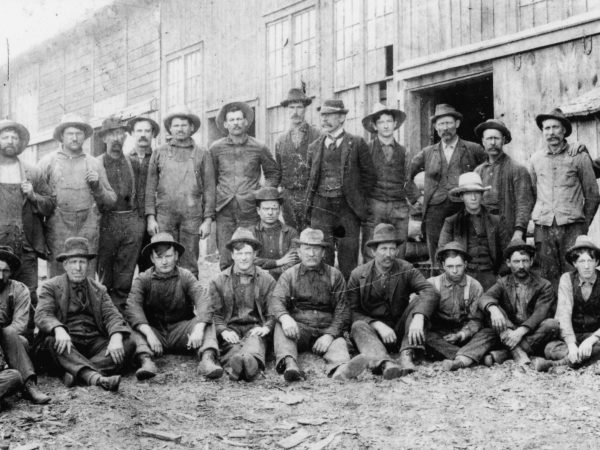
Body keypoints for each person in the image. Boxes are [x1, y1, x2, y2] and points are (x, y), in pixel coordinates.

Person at [35, 237, 135, 391]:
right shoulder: (51, 286)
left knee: (127, 343)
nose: (78, 267)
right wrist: (58, 329)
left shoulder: (99, 289)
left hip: (92, 341)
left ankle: (75, 372)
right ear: (65, 265)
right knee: (51, 341)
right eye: (73, 262)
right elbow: (43, 314)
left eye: (82, 262)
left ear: (88, 265)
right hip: (67, 342)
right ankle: (96, 378)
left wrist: (116, 337)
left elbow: (112, 315)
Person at [269, 228, 366, 382]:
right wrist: (285, 318)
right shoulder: (289, 275)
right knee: (280, 326)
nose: (311, 254)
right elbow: (277, 301)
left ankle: (342, 369)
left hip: (326, 328)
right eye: (307, 249)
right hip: (299, 329)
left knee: (339, 344)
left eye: (316, 249)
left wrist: (330, 334)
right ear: (299, 252)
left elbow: (342, 309)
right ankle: (290, 365)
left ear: (323, 253)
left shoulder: (335, 275)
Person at [125, 232, 222, 380]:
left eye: (168, 256)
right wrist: (149, 334)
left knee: (207, 321)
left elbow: (203, 300)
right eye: (159, 257)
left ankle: (207, 360)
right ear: (152, 259)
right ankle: (146, 361)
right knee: (132, 325)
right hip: (155, 333)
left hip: (182, 333)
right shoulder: (143, 279)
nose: (164, 262)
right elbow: (133, 307)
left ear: (176, 256)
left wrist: (198, 328)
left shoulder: (186, 276)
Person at [348, 224, 438, 379]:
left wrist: (418, 317)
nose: (388, 254)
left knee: (419, 302)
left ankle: (406, 354)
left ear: (397, 251)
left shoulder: (406, 268)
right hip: (373, 334)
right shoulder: (358, 274)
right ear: (373, 251)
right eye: (383, 249)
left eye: (392, 249)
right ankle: (385, 364)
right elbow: (352, 311)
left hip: (401, 331)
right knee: (357, 326)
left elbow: (430, 291)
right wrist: (376, 324)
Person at [304, 99, 376, 279]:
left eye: (330, 115)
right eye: (322, 115)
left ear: (342, 118)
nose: (324, 120)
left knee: (348, 257)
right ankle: (324, 297)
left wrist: (356, 197)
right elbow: (309, 178)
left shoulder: (357, 143)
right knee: (322, 254)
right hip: (321, 208)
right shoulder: (314, 147)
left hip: (348, 209)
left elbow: (370, 177)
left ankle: (348, 300)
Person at [38, 114, 116, 277]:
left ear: (85, 137)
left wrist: (97, 186)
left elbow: (110, 201)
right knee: (58, 280)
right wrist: (41, 238)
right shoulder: (48, 162)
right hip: (57, 230)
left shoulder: (94, 163)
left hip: (87, 229)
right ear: (61, 136)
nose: (74, 138)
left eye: (79, 134)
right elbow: (36, 203)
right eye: (70, 134)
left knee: (85, 276)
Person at [530, 108, 600, 285]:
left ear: (564, 131)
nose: (551, 132)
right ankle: (552, 312)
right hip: (544, 227)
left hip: (572, 227)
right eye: (547, 128)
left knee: (573, 274)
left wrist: (583, 224)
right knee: (546, 276)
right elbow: (531, 192)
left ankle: (574, 312)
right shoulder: (536, 159)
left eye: (556, 127)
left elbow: (592, 194)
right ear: (542, 132)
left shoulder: (578, 156)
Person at [410, 104, 486, 264]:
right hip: (434, 212)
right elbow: (404, 175)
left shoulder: (473, 149)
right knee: (437, 256)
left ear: (457, 124)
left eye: (448, 123)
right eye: (440, 124)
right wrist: (417, 198)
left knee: (464, 252)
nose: (445, 128)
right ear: (436, 128)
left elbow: (489, 170)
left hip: (463, 210)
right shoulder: (427, 152)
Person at [145, 105, 215, 277]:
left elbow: (209, 189)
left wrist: (207, 220)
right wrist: (151, 217)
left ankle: (188, 302)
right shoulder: (159, 153)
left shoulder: (202, 154)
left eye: (184, 125)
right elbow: (150, 188)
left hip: (192, 216)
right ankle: (166, 300)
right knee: (163, 257)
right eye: (176, 125)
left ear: (191, 128)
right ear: (170, 128)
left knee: (189, 262)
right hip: (165, 216)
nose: (180, 129)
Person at [0, 119, 55, 335]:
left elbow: (50, 204)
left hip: (26, 244)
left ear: (21, 142)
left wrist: (32, 195)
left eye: (14, 137)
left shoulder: (33, 172)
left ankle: (28, 346)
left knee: (29, 293)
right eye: (5, 137)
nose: (10, 141)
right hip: (0, 244)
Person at [210, 101, 281, 270]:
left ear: (246, 122)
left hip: (249, 210)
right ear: (226, 124)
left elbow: (273, 174)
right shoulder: (216, 148)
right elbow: (209, 180)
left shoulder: (259, 147)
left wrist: (262, 195)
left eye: (239, 119)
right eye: (231, 120)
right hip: (224, 210)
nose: (235, 123)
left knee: (249, 253)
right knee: (227, 256)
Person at [478, 239, 559, 370]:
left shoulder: (544, 285)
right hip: (509, 330)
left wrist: (520, 332)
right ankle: (517, 352)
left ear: (531, 262)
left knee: (552, 325)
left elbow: (540, 313)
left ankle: (507, 353)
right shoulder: (503, 282)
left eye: (525, 261)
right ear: (508, 263)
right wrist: (494, 310)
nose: (521, 266)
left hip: (532, 331)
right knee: (491, 309)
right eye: (516, 261)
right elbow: (485, 297)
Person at [211, 228, 276, 381]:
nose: (244, 258)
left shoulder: (267, 279)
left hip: (255, 328)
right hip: (231, 328)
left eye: (247, 253)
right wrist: (223, 330)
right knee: (231, 347)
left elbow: (274, 310)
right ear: (232, 255)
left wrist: (266, 327)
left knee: (254, 344)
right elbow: (214, 313)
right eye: (239, 254)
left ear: (254, 255)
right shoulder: (218, 281)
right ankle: (239, 366)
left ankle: (249, 364)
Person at [96, 116, 146, 311]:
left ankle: (121, 312)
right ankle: (105, 312)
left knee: (126, 272)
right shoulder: (96, 163)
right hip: (107, 222)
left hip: (130, 221)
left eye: (120, 134)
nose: (117, 138)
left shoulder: (132, 162)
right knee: (105, 272)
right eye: (112, 134)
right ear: (104, 138)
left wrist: (138, 223)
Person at [424, 242, 495, 371]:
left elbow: (476, 320)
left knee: (489, 333)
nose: (455, 271)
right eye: (450, 266)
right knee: (423, 334)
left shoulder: (474, 286)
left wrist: (461, 335)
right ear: (443, 266)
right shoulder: (432, 284)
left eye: (459, 266)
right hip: (440, 336)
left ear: (466, 265)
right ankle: (468, 356)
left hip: (464, 334)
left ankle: (461, 357)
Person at [360, 103, 418, 260]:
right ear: (375, 126)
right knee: (370, 249)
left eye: (389, 121)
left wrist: (417, 200)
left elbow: (408, 179)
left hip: (398, 206)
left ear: (395, 124)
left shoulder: (404, 151)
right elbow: (361, 179)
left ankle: (397, 283)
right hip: (375, 204)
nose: (385, 126)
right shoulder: (366, 149)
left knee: (399, 250)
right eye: (381, 122)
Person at [438, 172, 509, 290]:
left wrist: (500, 276)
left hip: (492, 277)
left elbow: (507, 252)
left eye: (476, 192)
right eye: (468, 193)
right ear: (461, 196)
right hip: (463, 277)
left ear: (482, 195)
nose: (473, 197)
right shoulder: (452, 222)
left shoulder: (496, 220)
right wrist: (456, 277)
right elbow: (441, 254)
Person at [0, 246, 50, 403]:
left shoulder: (19, 290)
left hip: (11, 343)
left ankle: (29, 386)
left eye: (5, 271)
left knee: (13, 335)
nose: (0, 276)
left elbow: (19, 324)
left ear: (11, 272)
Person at [543, 236, 600, 369]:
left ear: (596, 262)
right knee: (549, 348)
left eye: (590, 260)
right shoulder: (567, 279)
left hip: (596, 335)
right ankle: (578, 357)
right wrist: (571, 344)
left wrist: (592, 340)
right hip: (575, 333)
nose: (586, 266)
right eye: (581, 261)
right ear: (575, 263)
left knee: (595, 348)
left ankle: (557, 364)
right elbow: (564, 313)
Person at [473, 119, 534, 241]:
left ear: (504, 140)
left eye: (497, 138)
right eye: (489, 139)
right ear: (483, 142)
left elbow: (524, 204)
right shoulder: (478, 172)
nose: (493, 143)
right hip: (484, 233)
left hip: (509, 232)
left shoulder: (517, 169)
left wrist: (518, 232)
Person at [275, 88, 321, 229]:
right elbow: (277, 171)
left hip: (311, 196)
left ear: (305, 109)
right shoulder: (280, 140)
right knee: (292, 235)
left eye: (299, 107)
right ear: (287, 110)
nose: (295, 111)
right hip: (288, 197)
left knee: (312, 235)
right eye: (291, 107)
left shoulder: (317, 135)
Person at [128, 115, 160, 272]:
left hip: (154, 221)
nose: (143, 134)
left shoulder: (160, 159)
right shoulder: (124, 160)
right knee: (126, 267)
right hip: (130, 222)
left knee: (150, 267)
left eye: (147, 131)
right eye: (139, 130)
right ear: (132, 134)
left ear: (153, 134)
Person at [252, 187, 299, 280]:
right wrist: (278, 262)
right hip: (257, 281)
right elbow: (250, 260)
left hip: (284, 280)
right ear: (258, 210)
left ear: (280, 210)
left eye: (274, 208)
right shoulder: (251, 233)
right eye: (266, 209)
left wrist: (269, 273)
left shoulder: (291, 233)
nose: (270, 212)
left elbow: (293, 261)